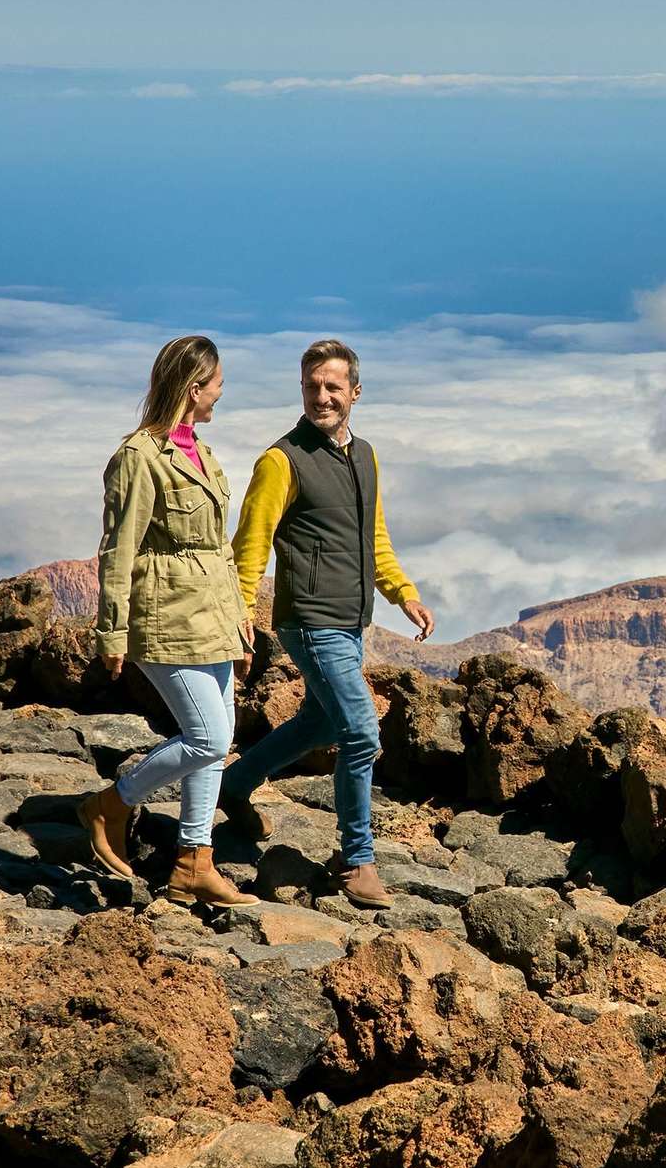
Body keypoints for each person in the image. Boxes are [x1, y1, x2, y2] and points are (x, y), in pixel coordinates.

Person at [221, 338, 435, 909]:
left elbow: (374, 539)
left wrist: (402, 593)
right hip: (309, 620)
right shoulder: (281, 460)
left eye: (333, 387)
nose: (323, 396)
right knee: (361, 731)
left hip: (351, 620)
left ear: (355, 392)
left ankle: (234, 785)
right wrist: (242, 610)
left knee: (319, 724)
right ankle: (356, 859)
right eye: (313, 386)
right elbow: (252, 543)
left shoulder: (364, 455)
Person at [76, 334, 261, 909]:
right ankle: (112, 802)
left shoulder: (200, 452)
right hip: (163, 617)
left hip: (211, 615)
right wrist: (111, 630)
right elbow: (118, 549)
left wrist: (240, 616)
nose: (220, 397)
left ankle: (192, 862)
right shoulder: (138, 457)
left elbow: (219, 547)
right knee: (207, 737)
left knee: (217, 740)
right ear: (192, 387)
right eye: (217, 387)